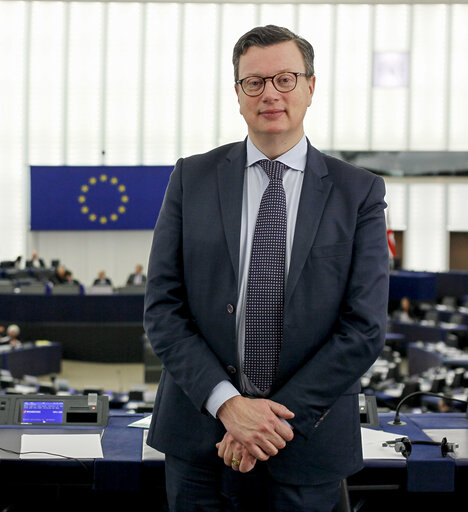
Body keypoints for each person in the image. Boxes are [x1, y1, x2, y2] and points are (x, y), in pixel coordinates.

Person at [143, 25, 389, 512]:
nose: (269, 94)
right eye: (253, 82)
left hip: (306, 445)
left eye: (285, 79)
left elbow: (364, 328)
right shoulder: (191, 179)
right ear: (237, 93)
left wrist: (267, 425)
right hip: (200, 441)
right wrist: (229, 405)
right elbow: (162, 310)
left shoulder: (357, 191)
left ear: (311, 87)